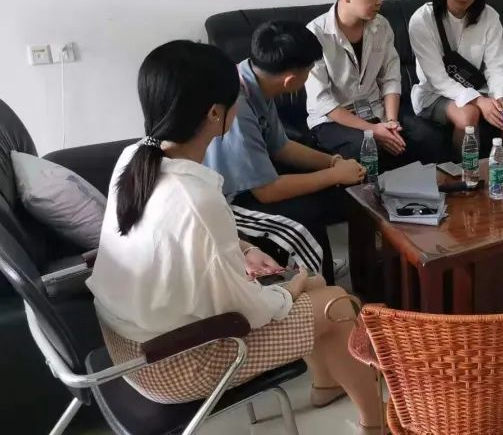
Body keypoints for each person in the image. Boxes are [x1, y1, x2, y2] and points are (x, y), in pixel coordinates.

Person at [86, 41, 382, 425]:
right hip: (172, 362)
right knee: (336, 303)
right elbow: (247, 311)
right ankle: (377, 423)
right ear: (215, 113)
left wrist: (243, 249)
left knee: (314, 285)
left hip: (125, 339)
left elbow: (186, 239)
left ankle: (327, 384)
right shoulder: (195, 196)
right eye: (234, 100)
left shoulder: (135, 156)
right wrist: (291, 288)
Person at [203, 21, 365, 284]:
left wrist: (334, 162)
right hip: (223, 200)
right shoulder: (237, 104)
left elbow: (281, 146)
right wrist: (335, 174)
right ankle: (321, 290)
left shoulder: (254, 79)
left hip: (249, 181)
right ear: (290, 79)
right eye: (308, 72)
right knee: (303, 218)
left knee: (328, 189)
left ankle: (337, 268)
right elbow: (267, 191)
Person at [306, 0, 446, 169]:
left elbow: (391, 78)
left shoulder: (381, 26)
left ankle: (428, 190)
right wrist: (372, 130)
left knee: (428, 137)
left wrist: (391, 122)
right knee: (365, 147)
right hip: (333, 121)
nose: (379, 1)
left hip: (376, 112)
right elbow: (322, 102)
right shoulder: (315, 34)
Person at [409, 0, 503, 148]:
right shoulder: (422, 20)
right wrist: (479, 101)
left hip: (477, 87)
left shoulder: (489, 17)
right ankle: (465, 169)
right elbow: (438, 80)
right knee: (467, 115)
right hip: (435, 93)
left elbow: (497, 66)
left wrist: (501, 96)